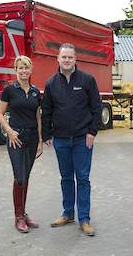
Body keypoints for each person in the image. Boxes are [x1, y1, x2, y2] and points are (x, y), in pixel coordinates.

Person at [42, 43, 102, 236]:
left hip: (81, 139)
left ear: (76, 59)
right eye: (63, 57)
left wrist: (92, 132)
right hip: (60, 140)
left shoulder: (87, 80)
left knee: (82, 178)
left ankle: (84, 219)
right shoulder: (51, 83)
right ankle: (68, 213)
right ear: (57, 59)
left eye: (70, 57)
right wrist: (47, 134)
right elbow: (47, 111)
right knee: (66, 178)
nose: (67, 60)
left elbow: (96, 108)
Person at [0, 55, 43, 233]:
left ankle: (23, 213)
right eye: (20, 68)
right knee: (20, 177)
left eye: (26, 68)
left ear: (31, 70)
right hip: (16, 138)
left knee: (27, 177)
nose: (23, 71)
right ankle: (18, 217)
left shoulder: (35, 92)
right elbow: (0, 114)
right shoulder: (9, 90)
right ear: (15, 71)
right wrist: (9, 131)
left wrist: (40, 140)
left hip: (32, 138)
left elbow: (38, 116)